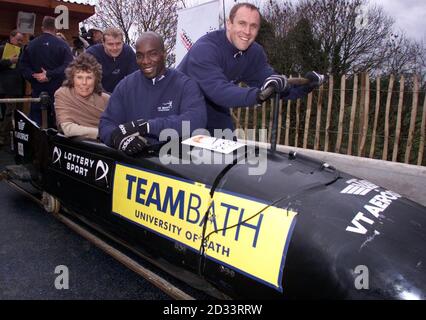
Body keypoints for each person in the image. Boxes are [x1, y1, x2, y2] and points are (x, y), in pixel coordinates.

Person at [178, 2, 324, 134]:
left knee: (229, 155)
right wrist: (258, 95)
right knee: (175, 156)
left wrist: (308, 85)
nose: (247, 32)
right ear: (229, 24)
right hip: (180, 105)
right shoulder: (206, 49)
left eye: (253, 26)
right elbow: (219, 91)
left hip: (214, 108)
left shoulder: (254, 53)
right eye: (242, 23)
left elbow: (275, 87)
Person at [99, 31, 207, 155]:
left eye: (153, 54)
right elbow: (106, 124)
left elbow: (196, 120)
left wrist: (147, 126)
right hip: (134, 165)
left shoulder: (185, 84)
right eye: (140, 56)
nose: (145, 61)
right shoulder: (125, 86)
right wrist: (119, 139)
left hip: (174, 163)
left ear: (164, 54)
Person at [19, 16, 73, 127]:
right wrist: (49, 74)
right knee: (59, 123)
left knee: (36, 124)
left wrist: (36, 76)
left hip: (37, 91)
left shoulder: (30, 45)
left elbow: (23, 66)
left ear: (42, 28)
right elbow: (69, 65)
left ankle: (38, 144)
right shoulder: (63, 45)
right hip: (58, 91)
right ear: (55, 28)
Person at [55, 53, 109, 140]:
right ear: (72, 79)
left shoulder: (106, 99)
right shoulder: (63, 94)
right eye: (79, 77)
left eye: (89, 78)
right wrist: (104, 133)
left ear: (96, 80)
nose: (84, 82)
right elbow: (68, 129)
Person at [86, 28, 138, 93]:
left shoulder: (128, 52)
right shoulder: (92, 54)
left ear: (123, 43)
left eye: (118, 44)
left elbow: (135, 77)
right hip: (96, 93)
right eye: (110, 44)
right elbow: (88, 81)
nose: (115, 48)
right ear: (103, 43)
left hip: (120, 93)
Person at [0, 30, 25, 147]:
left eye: (21, 40)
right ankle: (3, 137)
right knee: (8, 113)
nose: (20, 42)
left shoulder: (22, 51)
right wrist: (9, 61)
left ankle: (9, 137)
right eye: (18, 39)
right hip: (6, 87)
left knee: (14, 113)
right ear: (11, 37)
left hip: (18, 87)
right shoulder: (2, 48)